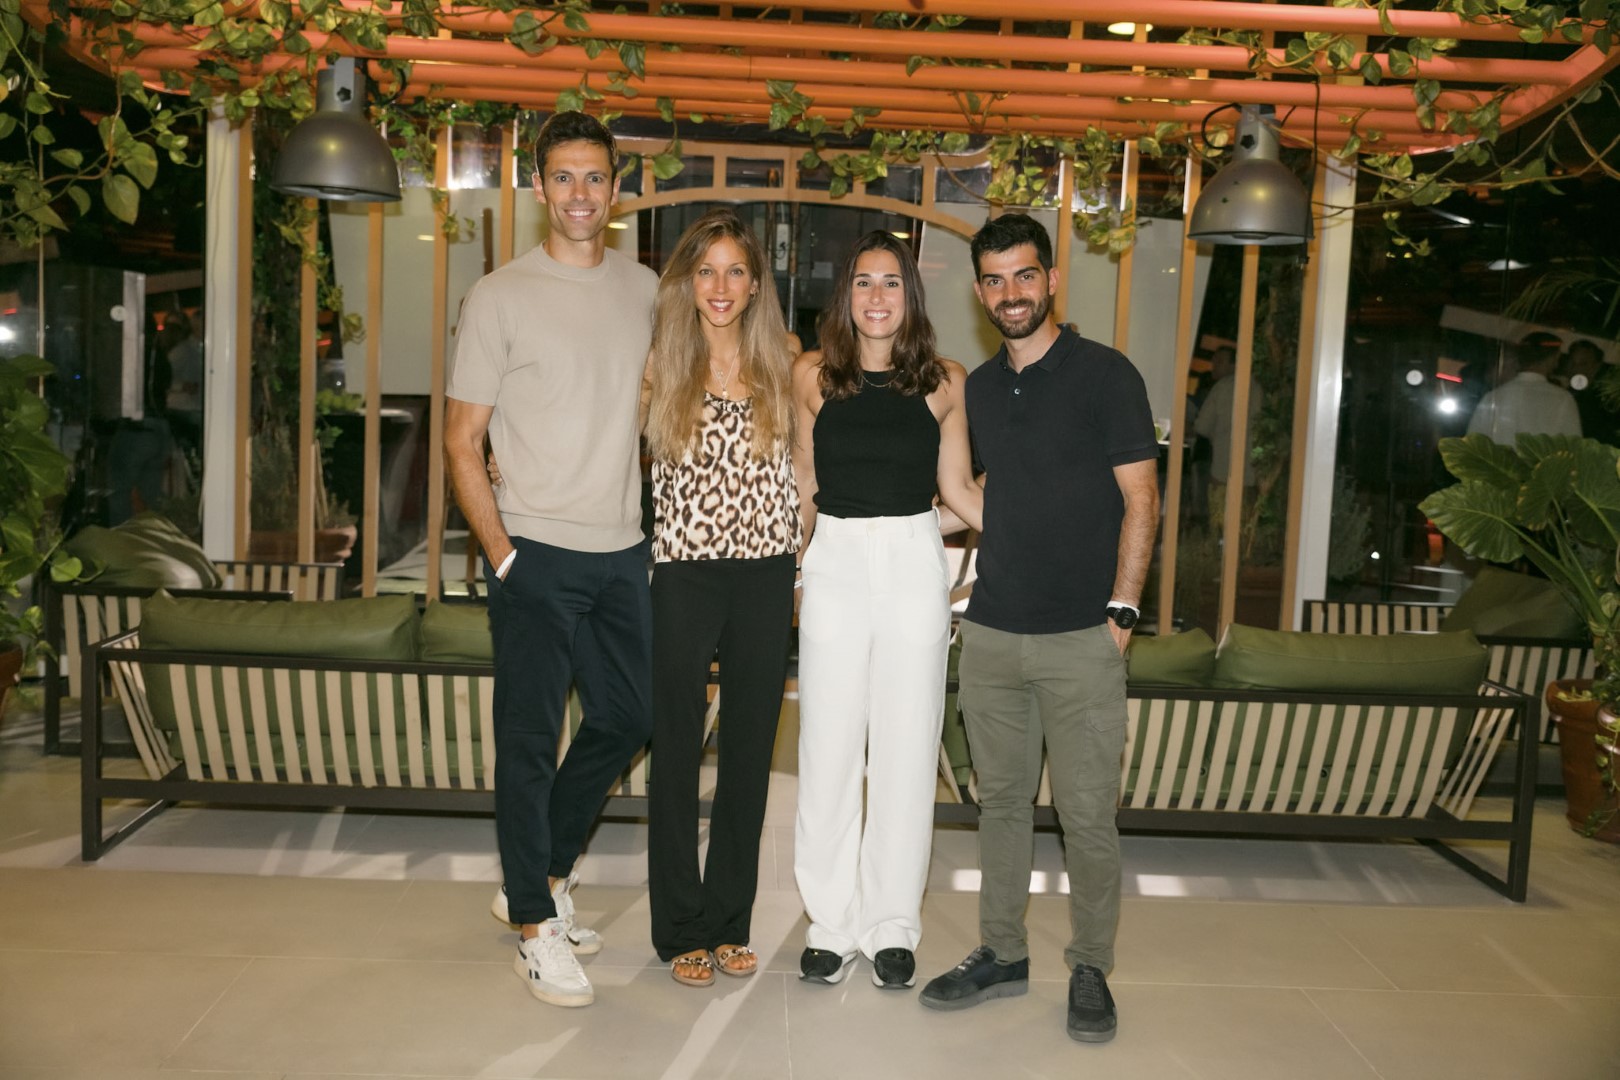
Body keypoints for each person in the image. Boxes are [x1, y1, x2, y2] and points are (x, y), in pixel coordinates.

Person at [918, 213, 1159, 1045]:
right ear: (980, 291)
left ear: (1052, 280)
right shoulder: (982, 389)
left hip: (1083, 636)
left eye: (1025, 275)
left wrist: (1122, 612)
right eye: (995, 280)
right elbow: (986, 494)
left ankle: (1090, 965)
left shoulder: (1107, 375)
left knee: (1087, 816)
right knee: (1001, 808)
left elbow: (1142, 500)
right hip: (991, 631)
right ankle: (1003, 952)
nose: (1011, 293)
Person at [444, 111, 657, 1010]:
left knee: (631, 715)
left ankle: (543, 873)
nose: (580, 193)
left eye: (595, 177)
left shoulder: (648, 290)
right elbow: (462, 440)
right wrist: (502, 555)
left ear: (616, 190)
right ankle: (534, 928)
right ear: (539, 187)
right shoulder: (499, 296)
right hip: (533, 552)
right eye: (563, 177)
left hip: (622, 550)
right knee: (530, 743)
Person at [790, 230, 983, 990]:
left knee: (907, 747)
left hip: (911, 562)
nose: (877, 296)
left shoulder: (945, 380)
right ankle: (831, 924)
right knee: (828, 747)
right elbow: (805, 483)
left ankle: (892, 924)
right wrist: (790, 569)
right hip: (833, 561)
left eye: (892, 282)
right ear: (846, 295)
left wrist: (1040, 532)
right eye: (864, 282)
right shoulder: (812, 376)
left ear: (911, 295)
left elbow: (958, 493)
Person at [642, 209, 801, 987]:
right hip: (684, 571)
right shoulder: (659, 364)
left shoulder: (784, 361)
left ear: (756, 283)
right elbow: (594, 440)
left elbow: (808, 470)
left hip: (766, 574)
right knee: (675, 747)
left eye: (736, 270)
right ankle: (679, 927)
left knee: (747, 751)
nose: (721, 286)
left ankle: (729, 921)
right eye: (707, 270)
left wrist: (803, 550)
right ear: (687, 281)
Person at [1466, 331, 1580, 442]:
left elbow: (1472, 444)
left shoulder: (1493, 397)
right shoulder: (1563, 399)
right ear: (1552, 359)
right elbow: (1574, 446)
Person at [1192, 343, 1258, 529]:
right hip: (1252, 473)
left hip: (1223, 469)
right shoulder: (1257, 387)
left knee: (1221, 525)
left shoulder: (1222, 387)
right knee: (1244, 526)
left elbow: (1202, 426)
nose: (1213, 366)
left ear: (1234, 364)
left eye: (1219, 362)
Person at [1563, 338, 1618, 445]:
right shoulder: (1563, 392)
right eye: (1572, 362)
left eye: (1583, 364)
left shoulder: (1605, 402)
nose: (1575, 368)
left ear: (1596, 366)